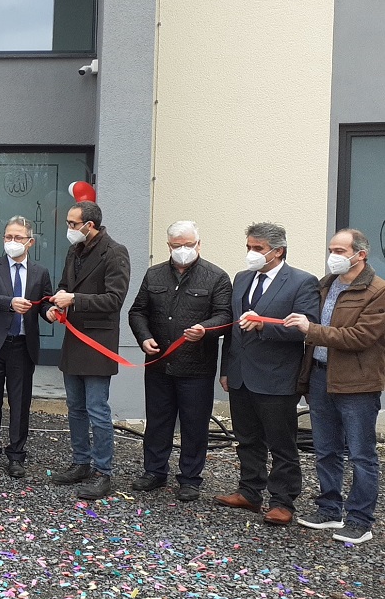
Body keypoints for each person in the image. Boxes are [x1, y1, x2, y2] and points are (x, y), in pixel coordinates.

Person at [214, 222, 318, 526]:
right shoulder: (242, 278)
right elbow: (233, 328)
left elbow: (305, 329)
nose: (251, 253)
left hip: (277, 377)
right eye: (248, 247)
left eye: (257, 249)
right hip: (241, 373)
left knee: (281, 442)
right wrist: (226, 369)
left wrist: (264, 326)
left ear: (278, 250)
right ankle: (249, 491)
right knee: (246, 438)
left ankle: (283, 501)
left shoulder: (301, 282)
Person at [285, 229, 385, 544]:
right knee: (325, 449)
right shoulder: (325, 284)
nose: (334, 256)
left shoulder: (378, 291)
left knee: (360, 454)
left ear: (360, 254)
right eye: (331, 249)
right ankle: (329, 510)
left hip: (357, 382)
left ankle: (360, 520)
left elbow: (360, 337)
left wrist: (310, 329)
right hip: (319, 376)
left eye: (340, 250)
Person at [127, 221, 232, 501]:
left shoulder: (217, 277)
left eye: (188, 245)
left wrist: (204, 329)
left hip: (196, 366)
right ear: (168, 246)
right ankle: (154, 471)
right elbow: (137, 311)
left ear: (199, 244)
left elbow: (225, 316)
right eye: (177, 246)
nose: (183, 250)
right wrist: (144, 337)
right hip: (160, 363)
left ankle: (190, 478)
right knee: (158, 421)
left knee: (194, 424)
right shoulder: (154, 275)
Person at [45, 201, 130, 500]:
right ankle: (80, 462)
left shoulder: (115, 252)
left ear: (89, 225)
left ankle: (103, 472)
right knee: (75, 408)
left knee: (97, 409)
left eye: (72, 223)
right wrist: (55, 308)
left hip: (98, 341)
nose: (68, 229)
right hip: (73, 339)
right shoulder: (74, 251)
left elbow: (114, 300)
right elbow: (64, 286)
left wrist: (74, 300)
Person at [0, 215, 53, 478]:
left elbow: (44, 302)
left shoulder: (40, 272)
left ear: (30, 242)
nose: (12, 242)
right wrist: (10, 303)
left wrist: (50, 312)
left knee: (20, 403)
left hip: (22, 345)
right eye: (8, 237)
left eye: (18, 237)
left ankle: (16, 456)